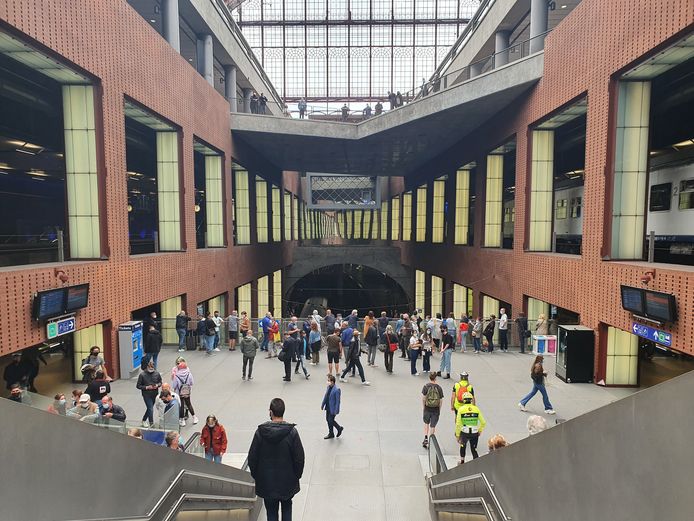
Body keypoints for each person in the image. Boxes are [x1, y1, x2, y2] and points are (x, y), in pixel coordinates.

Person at [248, 398, 305, 521]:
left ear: (271, 412)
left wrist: (257, 476)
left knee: (271, 513)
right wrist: (296, 476)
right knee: (287, 508)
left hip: (267, 483)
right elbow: (299, 458)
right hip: (287, 482)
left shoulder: (260, 432)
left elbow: (252, 457)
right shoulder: (292, 433)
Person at [455, 392, 486, 464]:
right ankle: (476, 463)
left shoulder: (461, 409)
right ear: (471, 400)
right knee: (474, 449)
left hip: (464, 432)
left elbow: (458, 424)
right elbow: (483, 422)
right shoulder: (476, 409)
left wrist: (457, 435)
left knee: (463, 446)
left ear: (463, 400)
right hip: (475, 432)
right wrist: (480, 430)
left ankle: (462, 461)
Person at [136, 360, 162, 427]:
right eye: (150, 368)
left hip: (155, 394)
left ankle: (144, 420)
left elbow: (160, 382)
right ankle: (151, 423)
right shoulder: (142, 375)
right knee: (150, 408)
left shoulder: (157, 373)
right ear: (147, 367)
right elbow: (138, 386)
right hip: (146, 394)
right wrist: (147, 387)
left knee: (149, 408)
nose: (151, 370)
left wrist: (157, 385)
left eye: (152, 369)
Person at [421, 372, 444, 448]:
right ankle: (431, 440)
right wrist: (439, 408)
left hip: (427, 408)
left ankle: (425, 438)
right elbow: (441, 400)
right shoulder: (439, 388)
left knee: (426, 423)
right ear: (435, 378)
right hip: (436, 409)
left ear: (429, 378)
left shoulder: (426, 387)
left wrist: (424, 406)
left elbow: (423, 398)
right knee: (433, 426)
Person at [172, 361, 197, 426]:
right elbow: (192, 383)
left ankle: (182, 420)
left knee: (181, 406)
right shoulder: (189, 374)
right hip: (187, 392)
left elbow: (174, 385)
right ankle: (194, 417)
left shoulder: (176, 376)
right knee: (189, 404)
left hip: (179, 393)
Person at [321, 374, 344, 439]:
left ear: (332, 382)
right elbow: (326, 396)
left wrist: (336, 410)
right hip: (328, 407)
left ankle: (339, 428)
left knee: (330, 420)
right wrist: (323, 404)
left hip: (333, 408)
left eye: (328, 381)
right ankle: (331, 433)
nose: (327, 382)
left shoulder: (337, 390)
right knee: (328, 420)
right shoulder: (328, 387)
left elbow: (338, 401)